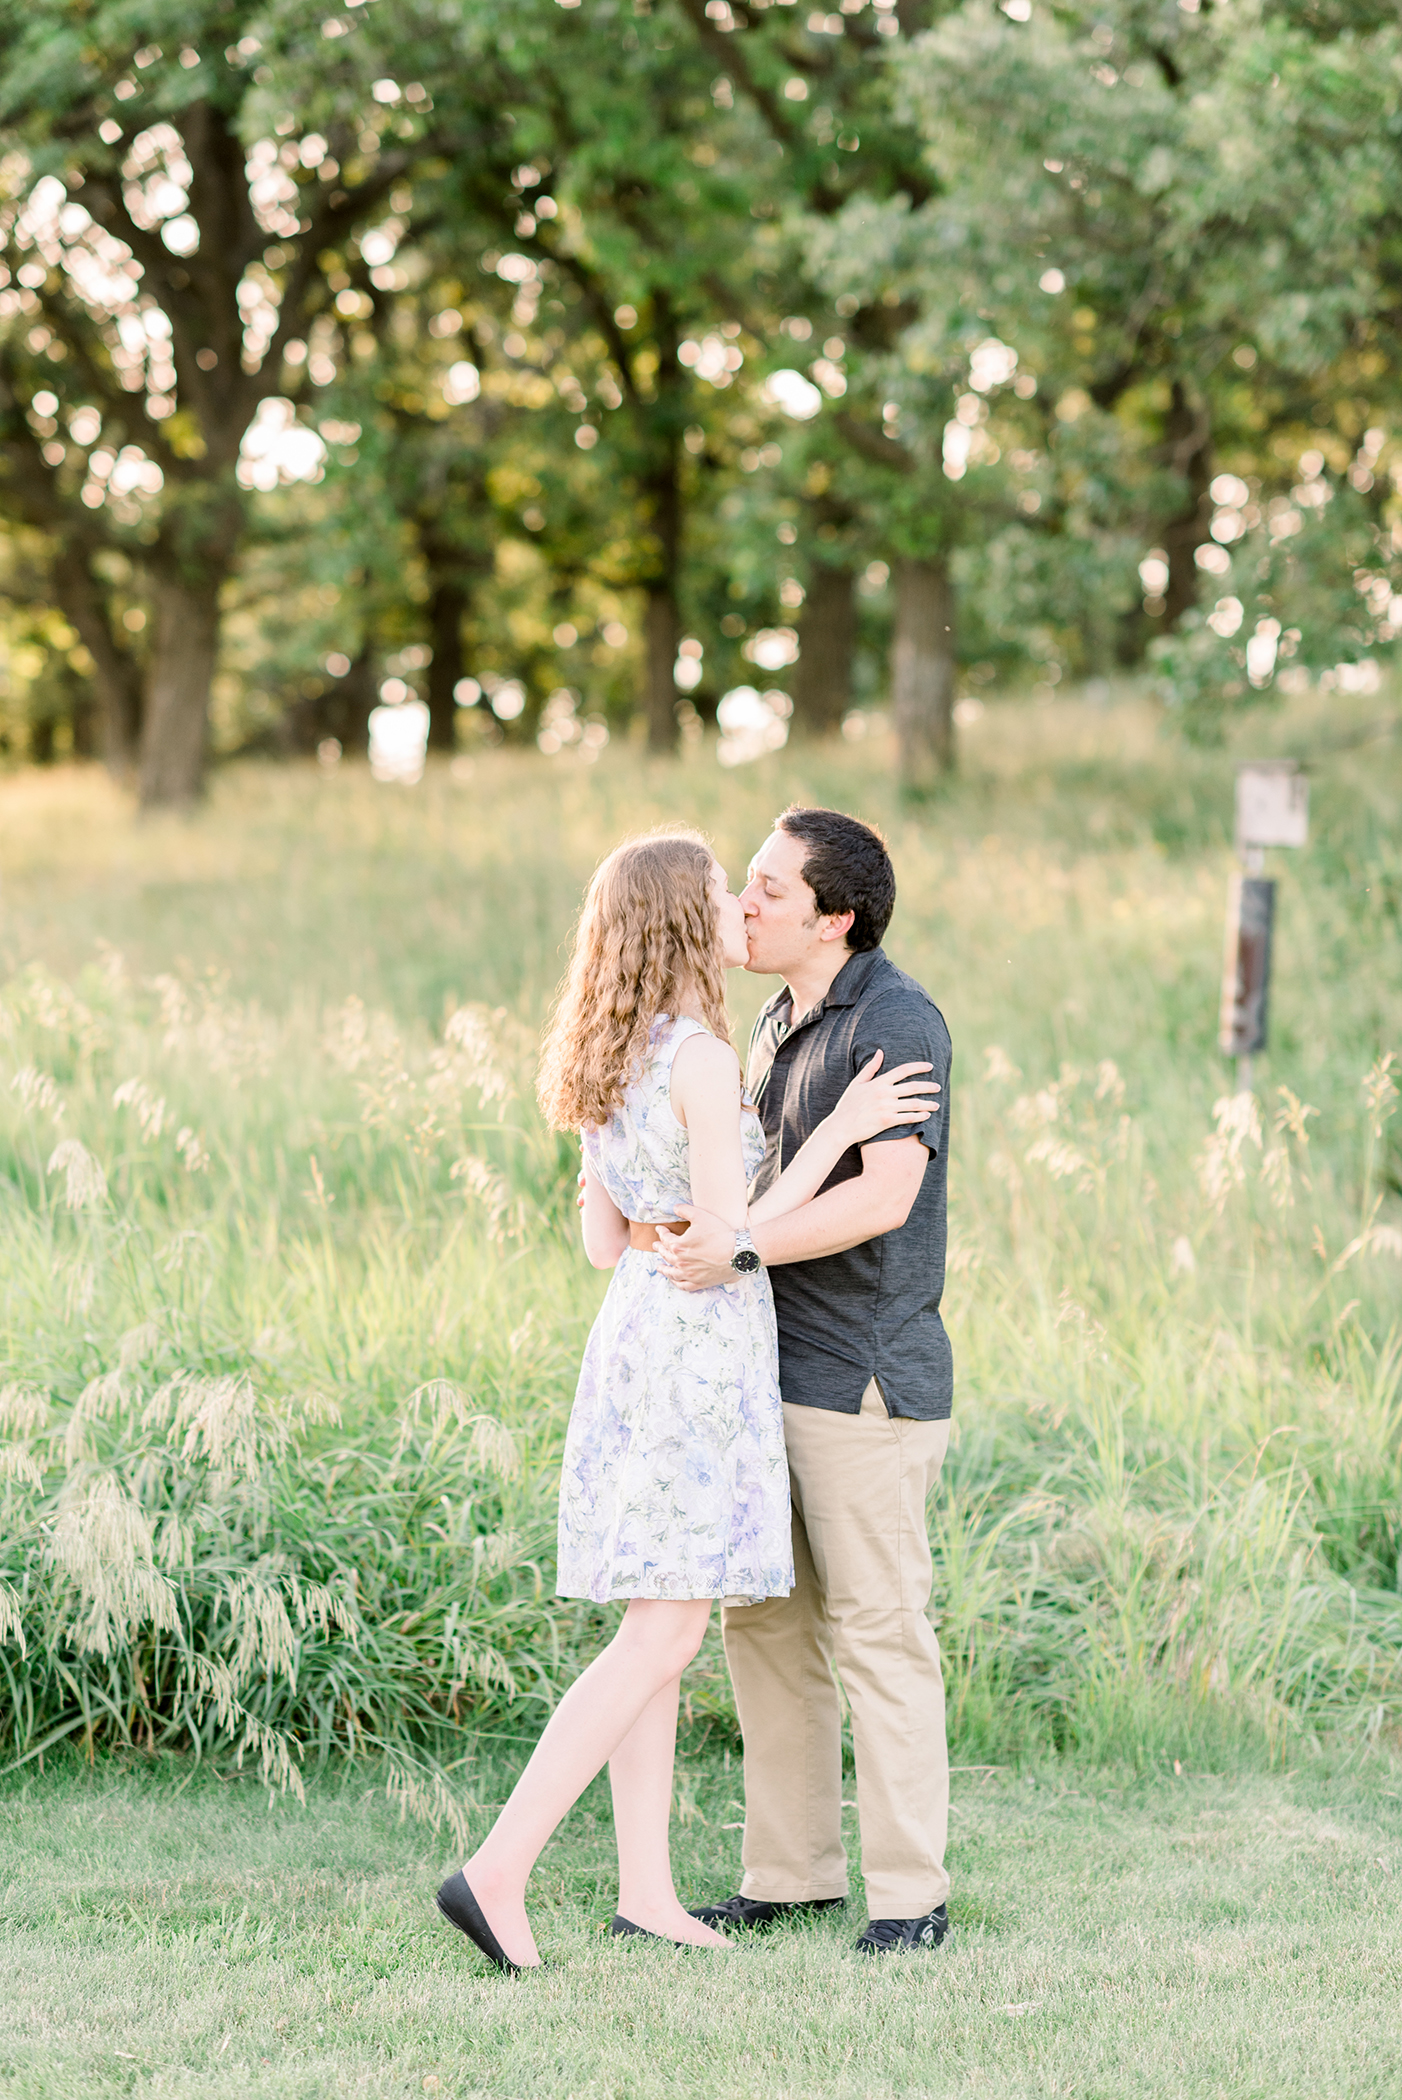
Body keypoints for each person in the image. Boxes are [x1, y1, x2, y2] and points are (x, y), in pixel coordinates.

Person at [434, 829, 938, 1972]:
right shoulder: (705, 1057)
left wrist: (663, 1198)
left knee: (655, 1629)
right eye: (721, 892)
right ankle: (498, 1868)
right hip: (701, 1346)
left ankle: (648, 1893)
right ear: (680, 921)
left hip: (631, 1340)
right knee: (664, 1632)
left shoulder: (607, 1056)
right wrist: (843, 1137)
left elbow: (605, 1243)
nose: (737, 907)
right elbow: (728, 1235)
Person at [657, 806, 955, 1958]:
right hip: (762, 1373)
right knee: (763, 1627)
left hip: (862, 1382)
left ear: (834, 916)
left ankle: (908, 1899)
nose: (744, 902)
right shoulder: (774, 1020)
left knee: (878, 1632)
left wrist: (735, 1250)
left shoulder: (896, 1016)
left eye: (770, 890)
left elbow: (882, 1198)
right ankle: (787, 1876)